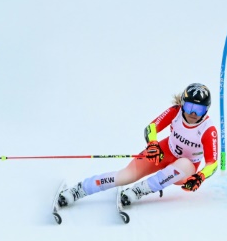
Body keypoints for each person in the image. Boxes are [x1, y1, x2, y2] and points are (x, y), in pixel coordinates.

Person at [57, 83, 218, 208]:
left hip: (185, 171)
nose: (193, 114)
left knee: (183, 163)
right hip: (164, 152)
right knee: (126, 175)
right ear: (183, 103)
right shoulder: (175, 112)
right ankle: (80, 189)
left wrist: (201, 176)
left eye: (199, 109)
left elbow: (213, 163)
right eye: (190, 107)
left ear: (206, 110)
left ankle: (139, 190)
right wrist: (153, 145)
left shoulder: (208, 130)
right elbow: (151, 128)